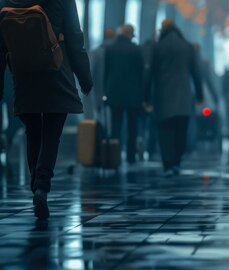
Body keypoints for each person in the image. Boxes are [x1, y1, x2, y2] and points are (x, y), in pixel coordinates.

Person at [0, 0, 93, 219]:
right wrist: (85, 80)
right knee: (52, 131)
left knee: (33, 130)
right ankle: (42, 186)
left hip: (23, 73)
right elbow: (76, 41)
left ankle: (35, 187)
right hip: (57, 71)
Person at [145, 19, 203, 176]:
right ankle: (177, 161)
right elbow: (196, 73)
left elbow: (149, 74)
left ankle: (168, 163)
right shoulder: (188, 47)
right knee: (181, 130)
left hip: (163, 96)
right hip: (183, 97)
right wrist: (199, 95)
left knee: (165, 131)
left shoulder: (157, 48)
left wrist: (147, 98)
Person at [104, 24, 144, 164]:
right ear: (131, 34)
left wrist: (105, 92)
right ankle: (130, 157)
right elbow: (141, 73)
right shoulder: (136, 49)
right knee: (132, 126)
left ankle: (115, 157)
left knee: (116, 125)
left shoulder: (110, 49)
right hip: (133, 95)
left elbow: (106, 72)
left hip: (114, 93)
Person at [87, 27, 115, 120]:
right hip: (114, 91)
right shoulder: (118, 52)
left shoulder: (96, 52)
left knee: (100, 119)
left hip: (98, 91)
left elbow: (90, 71)